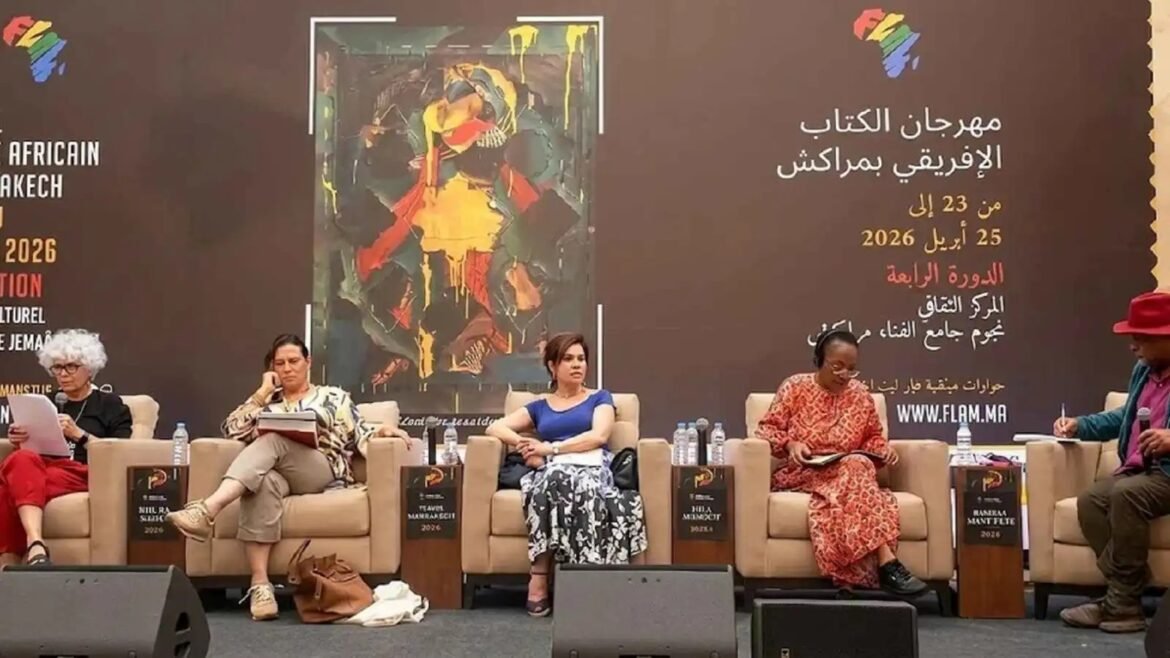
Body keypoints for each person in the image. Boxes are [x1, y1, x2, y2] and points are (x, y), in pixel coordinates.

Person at [166, 334, 410, 621]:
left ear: (308, 362)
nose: (287, 368)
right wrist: (262, 393)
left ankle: (207, 509)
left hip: (319, 468)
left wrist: (382, 430)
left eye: (294, 361)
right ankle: (260, 585)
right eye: (280, 363)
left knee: (272, 440)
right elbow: (232, 429)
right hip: (278, 475)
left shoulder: (333, 396)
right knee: (262, 482)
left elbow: (359, 430)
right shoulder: (269, 403)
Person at [486, 332, 648, 617]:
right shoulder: (540, 406)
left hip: (591, 467)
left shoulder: (599, 398)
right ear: (552, 366)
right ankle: (553, 578)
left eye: (581, 359)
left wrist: (550, 449)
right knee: (552, 479)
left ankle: (549, 577)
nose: (577, 365)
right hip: (551, 471)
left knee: (567, 482)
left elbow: (599, 436)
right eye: (569, 359)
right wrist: (525, 444)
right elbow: (495, 427)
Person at [755, 329, 926, 596]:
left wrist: (883, 450)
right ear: (818, 360)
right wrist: (791, 444)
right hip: (804, 471)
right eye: (837, 366)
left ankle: (878, 566)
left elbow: (872, 437)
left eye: (851, 368)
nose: (844, 375)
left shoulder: (860, 395)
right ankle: (888, 563)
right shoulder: (795, 387)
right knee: (857, 468)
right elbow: (766, 428)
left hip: (848, 472)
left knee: (856, 465)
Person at [1055, 291, 1170, 633]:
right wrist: (1080, 425)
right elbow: (1125, 417)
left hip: (1165, 473)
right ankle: (1129, 589)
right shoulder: (1143, 372)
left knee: (1127, 495)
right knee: (1091, 501)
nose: (1133, 346)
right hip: (1139, 470)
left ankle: (1120, 605)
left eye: (1141, 339)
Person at [0, 329, 133, 567]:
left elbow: (120, 452)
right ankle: (35, 544)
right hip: (41, 466)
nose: (63, 374)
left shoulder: (110, 405)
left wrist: (79, 434)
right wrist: (18, 437)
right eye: (57, 367)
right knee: (21, 460)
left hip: (80, 471)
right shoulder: (45, 401)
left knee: (10, 485)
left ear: (89, 369)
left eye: (71, 367)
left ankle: (8, 559)